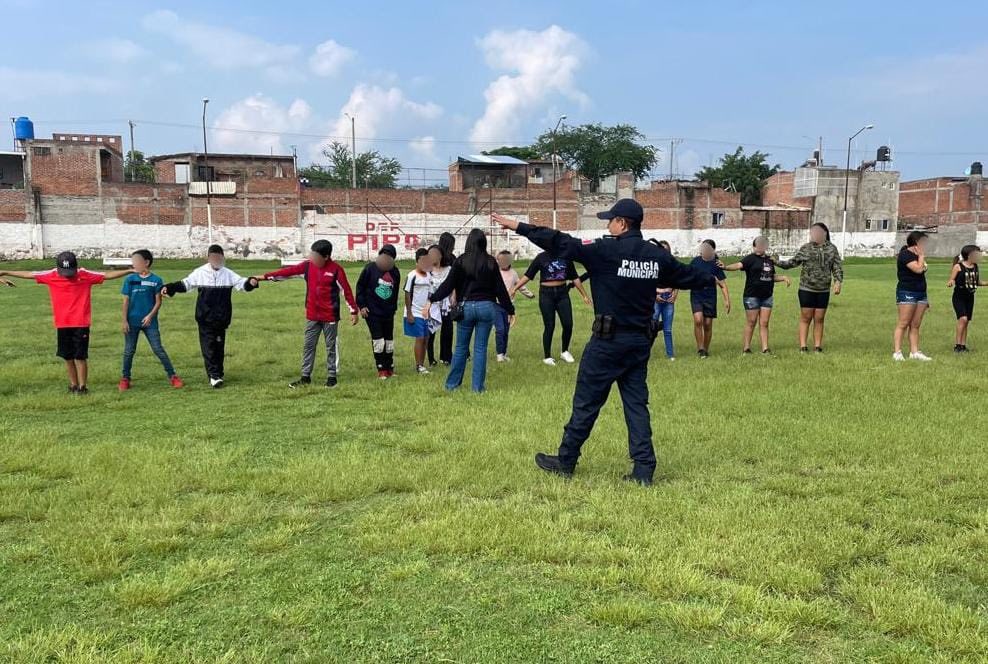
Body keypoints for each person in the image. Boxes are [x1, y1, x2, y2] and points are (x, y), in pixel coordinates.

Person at [492, 199, 715, 486]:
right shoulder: (655, 256)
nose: (607, 224)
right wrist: (714, 276)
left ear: (622, 223)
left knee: (586, 402)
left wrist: (520, 227)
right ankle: (644, 469)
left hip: (607, 343)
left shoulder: (605, 250)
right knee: (636, 404)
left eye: (610, 220)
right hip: (639, 343)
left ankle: (566, 460)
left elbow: (561, 242)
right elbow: (689, 276)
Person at [0, 251, 133, 394]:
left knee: (80, 356)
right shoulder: (51, 275)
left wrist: (129, 271)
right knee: (67, 356)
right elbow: (30, 274)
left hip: (81, 323)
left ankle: (82, 387)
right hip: (62, 323)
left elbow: (106, 275)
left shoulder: (84, 275)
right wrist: (6, 271)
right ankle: (73, 384)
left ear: (77, 267)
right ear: (57, 269)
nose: (68, 275)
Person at [256, 240, 357, 389]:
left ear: (326, 257)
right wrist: (264, 277)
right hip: (312, 315)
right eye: (311, 254)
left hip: (330, 316)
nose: (312, 258)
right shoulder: (307, 267)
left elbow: (346, 291)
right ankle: (305, 377)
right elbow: (286, 273)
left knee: (331, 346)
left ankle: (331, 377)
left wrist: (353, 311)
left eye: (315, 256)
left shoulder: (336, 270)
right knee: (308, 346)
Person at [427, 228, 515, 392]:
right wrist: (509, 309)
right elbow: (500, 289)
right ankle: (477, 388)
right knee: (480, 348)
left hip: (465, 307)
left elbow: (448, 285)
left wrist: (432, 299)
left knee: (461, 347)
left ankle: (452, 385)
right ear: (484, 242)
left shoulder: (461, 261)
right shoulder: (490, 262)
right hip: (486, 307)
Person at [162, 244, 259, 388]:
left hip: (222, 318)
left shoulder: (228, 274)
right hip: (205, 317)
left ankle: (218, 374)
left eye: (219, 257)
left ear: (223, 258)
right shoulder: (200, 272)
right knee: (209, 347)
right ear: (208, 258)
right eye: (213, 257)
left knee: (219, 347)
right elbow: (185, 284)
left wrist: (251, 282)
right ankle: (213, 376)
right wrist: (169, 288)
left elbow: (242, 283)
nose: (216, 260)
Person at [511, 251, 591, 365]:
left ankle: (565, 351)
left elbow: (575, 277)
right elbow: (528, 275)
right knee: (549, 325)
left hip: (562, 293)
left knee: (568, 324)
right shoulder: (541, 257)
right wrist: (515, 288)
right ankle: (547, 356)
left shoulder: (566, 256)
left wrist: (584, 295)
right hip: (546, 294)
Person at [119, 249, 183, 391]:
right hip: (132, 322)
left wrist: (149, 316)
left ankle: (173, 376)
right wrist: (124, 320)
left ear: (146, 262)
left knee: (158, 349)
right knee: (129, 351)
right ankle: (125, 378)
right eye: (133, 262)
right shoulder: (129, 280)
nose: (134, 264)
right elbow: (125, 301)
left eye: (136, 261)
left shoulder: (156, 280)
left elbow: (158, 302)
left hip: (150, 323)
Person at [776, 222, 844, 352]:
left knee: (819, 318)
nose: (814, 234)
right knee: (806, 317)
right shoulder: (805, 248)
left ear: (824, 233)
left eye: (817, 231)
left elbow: (837, 267)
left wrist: (838, 282)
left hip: (823, 289)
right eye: (812, 232)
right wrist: (776, 262)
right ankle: (803, 346)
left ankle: (817, 346)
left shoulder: (832, 249)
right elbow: (792, 263)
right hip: (806, 288)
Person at [722, 236, 791, 354]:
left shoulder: (770, 260)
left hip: (767, 296)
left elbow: (770, 276)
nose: (760, 246)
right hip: (752, 296)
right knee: (751, 321)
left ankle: (765, 348)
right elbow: (738, 265)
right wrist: (725, 267)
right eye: (758, 244)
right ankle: (746, 348)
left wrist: (783, 278)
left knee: (764, 323)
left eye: (763, 244)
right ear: (754, 247)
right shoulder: (750, 259)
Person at [356, 244, 400, 378]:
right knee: (378, 341)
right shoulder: (370, 269)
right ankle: (381, 368)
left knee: (389, 341)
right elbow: (360, 287)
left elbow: (395, 292)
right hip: (372, 312)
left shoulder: (395, 272)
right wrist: (362, 306)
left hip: (388, 312)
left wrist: (393, 308)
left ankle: (390, 367)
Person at [893, 231, 932, 361]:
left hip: (921, 293)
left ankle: (914, 352)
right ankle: (897, 352)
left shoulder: (918, 255)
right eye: (923, 242)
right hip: (907, 292)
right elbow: (919, 269)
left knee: (915, 325)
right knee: (903, 323)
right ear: (916, 242)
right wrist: (921, 256)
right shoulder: (905, 255)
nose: (925, 245)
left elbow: (922, 271)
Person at [688, 239, 731, 358]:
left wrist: (727, 300)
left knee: (707, 324)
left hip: (710, 297)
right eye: (703, 248)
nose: (704, 250)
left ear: (712, 250)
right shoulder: (695, 262)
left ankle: (706, 350)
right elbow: (687, 276)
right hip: (696, 295)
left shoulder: (716, 264)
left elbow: (722, 284)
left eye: (707, 248)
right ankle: (700, 348)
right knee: (698, 320)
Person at [947, 244, 986, 353]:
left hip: (970, 297)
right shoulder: (958, 266)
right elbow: (952, 279)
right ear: (969, 255)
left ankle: (963, 345)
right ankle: (957, 345)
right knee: (962, 319)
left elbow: (977, 282)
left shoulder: (975, 267)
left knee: (966, 321)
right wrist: (951, 282)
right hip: (959, 296)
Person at [404, 248, 434, 375]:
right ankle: (419, 365)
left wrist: (429, 310)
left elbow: (430, 295)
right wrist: (409, 313)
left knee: (426, 338)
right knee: (420, 338)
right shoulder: (412, 276)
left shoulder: (429, 276)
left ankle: (422, 364)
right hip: (415, 312)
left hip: (425, 312)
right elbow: (407, 294)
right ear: (417, 262)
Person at [426, 242, 454, 366]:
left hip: (446, 305)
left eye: (436, 254)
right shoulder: (425, 270)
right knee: (431, 332)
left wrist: (454, 297)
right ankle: (431, 358)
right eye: (430, 254)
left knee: (447, 331)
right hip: (431, 305)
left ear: (441, 256)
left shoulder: (449, 269)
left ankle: (446, 357)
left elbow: (454, 284)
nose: (433, 256)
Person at [652, 240, 678, 361]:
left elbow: (678, 280)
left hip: (669, 297)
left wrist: (674, 294)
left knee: (667, 329)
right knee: (652, 327)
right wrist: (654, 295)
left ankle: (670, 354)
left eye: (666, 249)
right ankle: (644, 353)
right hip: (657, 297)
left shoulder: (672, 264)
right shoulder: (652, 264)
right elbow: (647, 282)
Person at [495, 250, 520, 362]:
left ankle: (504, 353)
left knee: (505, 330)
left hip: (508, 306)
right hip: (496, 305)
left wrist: (530, 295)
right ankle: (499, 354)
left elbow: (520, 285)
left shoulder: (513, 273)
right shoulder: (495, 272)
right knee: (500, 329)